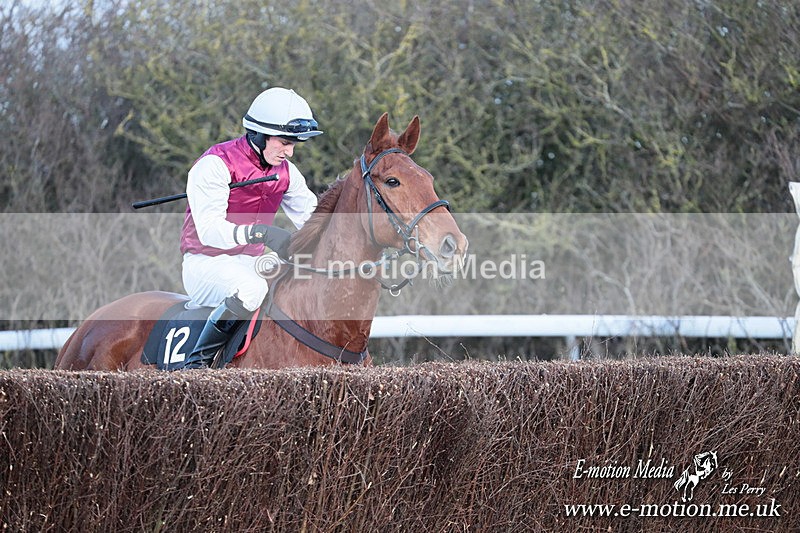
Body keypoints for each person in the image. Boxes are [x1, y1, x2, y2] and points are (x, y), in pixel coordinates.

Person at [180, 87, 322, 369]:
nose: (290, 152)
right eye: (284, 142)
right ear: (258, 134)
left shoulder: (287, 172)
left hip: (252, 262)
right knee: (252, 288)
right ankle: (197, 365)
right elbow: (209, 230)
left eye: (294, 144)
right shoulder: (214, 164)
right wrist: (260, 233)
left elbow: (314, 219)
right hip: (204, 263)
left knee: (298, 281)